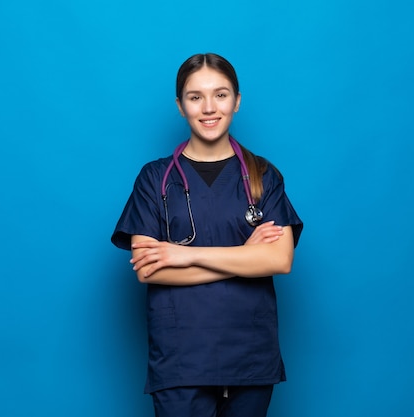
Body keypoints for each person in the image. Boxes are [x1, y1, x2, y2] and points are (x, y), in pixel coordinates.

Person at [111, 52, 303, 417]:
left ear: (237, 101)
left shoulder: (264, 176)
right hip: (181, 358)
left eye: (221, 94)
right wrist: (245, 257)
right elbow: (148, 269)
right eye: (195, 97)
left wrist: (187, 255)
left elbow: (279, 259)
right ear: (180, 106)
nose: (209, 107)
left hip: (250, 356)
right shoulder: (155, 180)